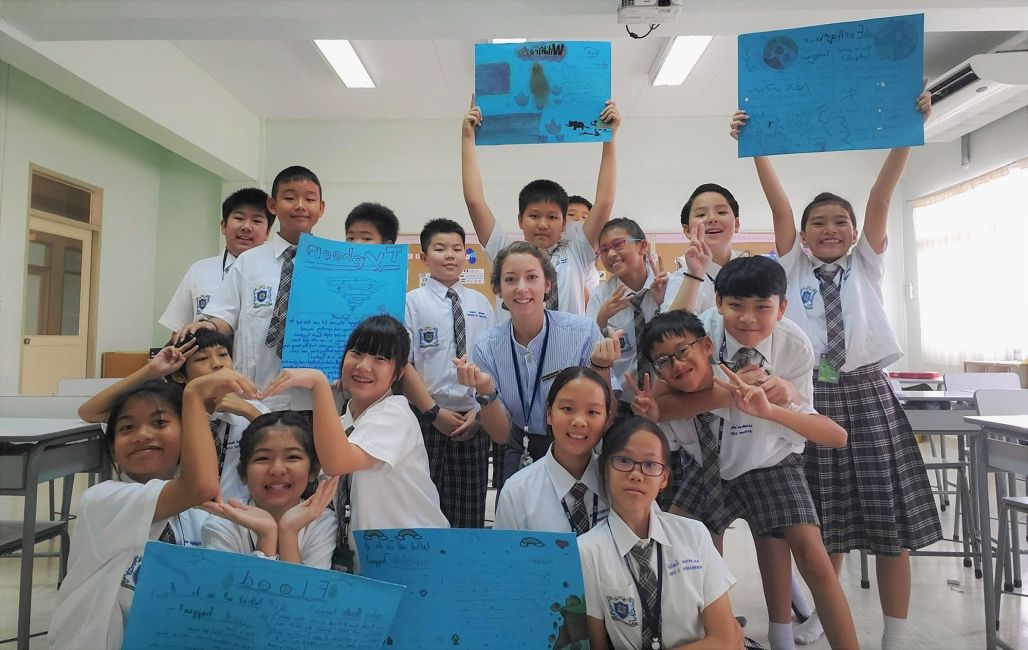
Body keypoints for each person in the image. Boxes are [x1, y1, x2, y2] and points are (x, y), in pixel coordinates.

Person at [732, 88, 941, 649]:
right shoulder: (791, 267)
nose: (830, 229)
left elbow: (881, 194)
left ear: (854, 232)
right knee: (826, 521)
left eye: (839, 222)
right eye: (818, 222)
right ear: (801, 235)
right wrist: (757, 148)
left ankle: (894, 637)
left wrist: (906, 129)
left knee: (888, 524)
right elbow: (778, 206)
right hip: (811, 396)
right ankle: (823, 614)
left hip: (868, 394)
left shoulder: (867, 263)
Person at [637, 303, 858, 650]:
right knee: (680, 554)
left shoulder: (753, 382)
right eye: (664, 360)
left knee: (814, 556)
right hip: (708, 471)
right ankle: (714, 637)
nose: (677, 364)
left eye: (683, 351)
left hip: (769, 466)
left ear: (707, 347)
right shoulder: (668, 400)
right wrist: (652, 416)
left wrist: (771, 410)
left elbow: (837, 435)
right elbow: (663, 422)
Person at [48, 371, 252, 649]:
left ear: (186, 436)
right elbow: (200, 485)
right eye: (126, 428)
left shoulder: (198, 516)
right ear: (113, 448)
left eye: (159, 422)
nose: (142, 435)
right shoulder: (102, 500)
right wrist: (193, 395)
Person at [262, 315, 449, 571]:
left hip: (414, 557)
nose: (363, 366)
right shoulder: (345, 421)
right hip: (369, 558)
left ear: (399, 372)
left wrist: (318, 385)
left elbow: (338, 462)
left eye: (380, 359)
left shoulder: (395, 414)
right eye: (357, 353)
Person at [453, 241, 622, 484]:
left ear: (547, 284)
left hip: (578, 449)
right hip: (520, 448)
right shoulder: (486, 346)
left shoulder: (582, 332)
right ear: (499, 289)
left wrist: (602, 367)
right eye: (510, 279)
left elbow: (608, 414)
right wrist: (485, 390)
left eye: (532, 277)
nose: (521, 288)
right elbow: (500, 435)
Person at [578, 416, 743, 650]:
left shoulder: (694, 535)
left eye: (650, 464)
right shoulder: (587, 550)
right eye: (624, 461)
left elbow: (724, 640)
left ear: (664, 478)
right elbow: (598, 645)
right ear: (605, 468)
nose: (636, 474)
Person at [174, 165, 325, 412]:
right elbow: (225, 315)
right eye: (289, 197)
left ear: (321, 208)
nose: (300, 205)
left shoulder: (334, 263)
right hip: (256, 397)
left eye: (309, 199)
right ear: (273, 205)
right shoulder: (249, 261)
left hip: (318, 400)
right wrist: (209, 325)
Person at [461, 95, 621, 316]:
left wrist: (609, 138)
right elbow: (474, 201)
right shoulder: (505, 252)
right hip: (513, 351)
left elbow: (604, 202)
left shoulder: (577, 253)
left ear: (564, 223)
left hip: (570, 350)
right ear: (520, 220)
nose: (543, 224)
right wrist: (467, 138)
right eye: (534, 216)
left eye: (552, 217)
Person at [77, 333, 267, 502]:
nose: (217, 364)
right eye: (201, 359)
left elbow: (285, 446)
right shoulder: (171, 413)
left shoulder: (252, 409)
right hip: (179, 511)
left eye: (223, 354)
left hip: (236, 516)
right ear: (178, 375)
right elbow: (90, 412)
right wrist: (152, 371)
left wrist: (249, 412)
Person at [404, 218, 497, 527]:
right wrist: (433, 413)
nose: (450, 255)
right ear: (424, 256)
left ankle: (465, 572)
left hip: (473, 420)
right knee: (421, 507)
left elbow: (493, 364)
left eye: (457, 248)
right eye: (440, 248)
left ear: (466, 255)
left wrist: (480, 415)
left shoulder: (482, 303)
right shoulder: (411, 303)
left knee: (469, 511)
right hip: (426, 418)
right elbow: (404, 364)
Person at [201, 411, 338, 567]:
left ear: (313, 470)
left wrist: (289, 532)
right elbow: (234, 591)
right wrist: (266, 535)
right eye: (263, 458)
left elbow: (306, 591)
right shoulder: (221, 524)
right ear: (243, 473)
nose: (277, 469)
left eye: (292, 457)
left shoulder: (322, 521)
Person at [494, 366, 612, 533]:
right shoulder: (516, 492)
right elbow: (504, 556)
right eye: (567, 409)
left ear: (607, 420)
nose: (579, 421)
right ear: (549, 413)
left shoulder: (618, 482)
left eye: (592, 412)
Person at [159, 188, 273, 332]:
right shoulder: (199, 271)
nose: (246, 227)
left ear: (267, 232)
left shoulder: (278, 273)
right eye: (239, 218)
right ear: (223, 226)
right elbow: (179, 330)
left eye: (256, 221)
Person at [663, 183, 745, 316]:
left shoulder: (753, 272)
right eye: (701, 214)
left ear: (736, 224)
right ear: (687, 230)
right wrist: (694, 276)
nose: (712, 219)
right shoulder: (680, 279)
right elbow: (671, 332)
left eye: (721, 212)